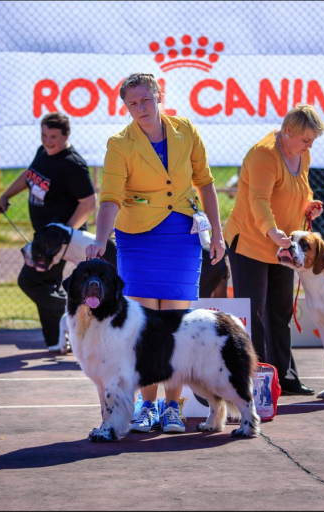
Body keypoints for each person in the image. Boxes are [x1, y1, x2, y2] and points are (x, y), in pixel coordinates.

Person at [85, 72, 225, 434]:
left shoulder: (186, 130)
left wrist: (218, 235)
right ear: (125, 107)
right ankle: (147, 407)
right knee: (144, 328)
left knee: (176, 326)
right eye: (132, 103)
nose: (140, 108)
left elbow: (205, 184)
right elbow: (110, 197)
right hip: (137, 237)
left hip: (181, 234)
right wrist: (101, 239)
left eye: (146, 99)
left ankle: (173, 408)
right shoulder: (119, 143)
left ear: (158, 96)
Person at [223, 104, 324, 396]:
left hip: (282, 245)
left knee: (280, 311)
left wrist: (308, 204)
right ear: (289, 131)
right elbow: (258, 200)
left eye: (313, 140)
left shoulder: (301, 152)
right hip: (250, 243)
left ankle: (285, 377)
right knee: (253, 313)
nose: (309, 145)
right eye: (306, 139)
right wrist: (271, 231)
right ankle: (255, 379)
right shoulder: (264, 154)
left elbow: (301, 188)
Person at [0, 112, 96, 348]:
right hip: (46, 239)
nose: (47, 140)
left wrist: (64, 234)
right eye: (44, 135)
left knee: (30, 281)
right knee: (45, 284)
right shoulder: (44, 152)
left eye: (53, 136)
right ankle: (55, 340)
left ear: (66, 135)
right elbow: (30, 175)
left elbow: (89, 202)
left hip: (61, 242)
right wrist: (6, 194)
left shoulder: (73, 164)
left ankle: (73, 313)